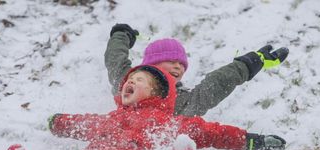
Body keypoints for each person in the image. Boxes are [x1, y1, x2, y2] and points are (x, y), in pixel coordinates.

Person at [4, 65, 286, 150]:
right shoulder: (112, 118)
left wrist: (251, 141)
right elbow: (84, 122)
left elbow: (211, 132)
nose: (129, 82)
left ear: (156, 93)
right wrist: (59, 122)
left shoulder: (168, 121)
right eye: (129, 79)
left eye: (137, 81)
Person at [105, 24, 289, 116]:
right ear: (151, 64)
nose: (178, 66)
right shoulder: (127, 81)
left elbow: (213, 87)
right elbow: (116, 59)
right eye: (171, 61)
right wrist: (122, 35)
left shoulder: (180, 100)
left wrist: (247, 65)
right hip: (117, 138)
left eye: (182, 65)